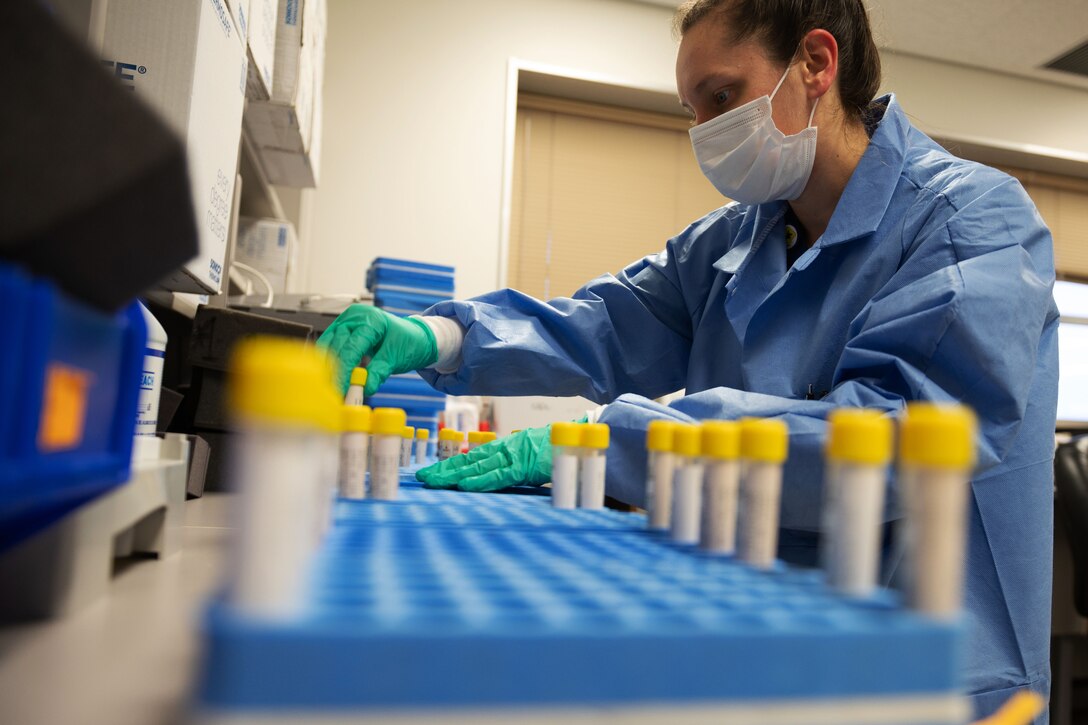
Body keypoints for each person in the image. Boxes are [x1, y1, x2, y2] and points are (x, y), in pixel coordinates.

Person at [318, 0, 1057, 719]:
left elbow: (896, 440)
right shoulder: (730, 243)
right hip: (761, 634)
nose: (704, 132)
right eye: (692, 111)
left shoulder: (971, 222)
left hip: (923, 665)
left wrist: (623, 440)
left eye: (722, 96)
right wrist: (437, 337)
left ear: (816, 62)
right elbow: (604, 321)